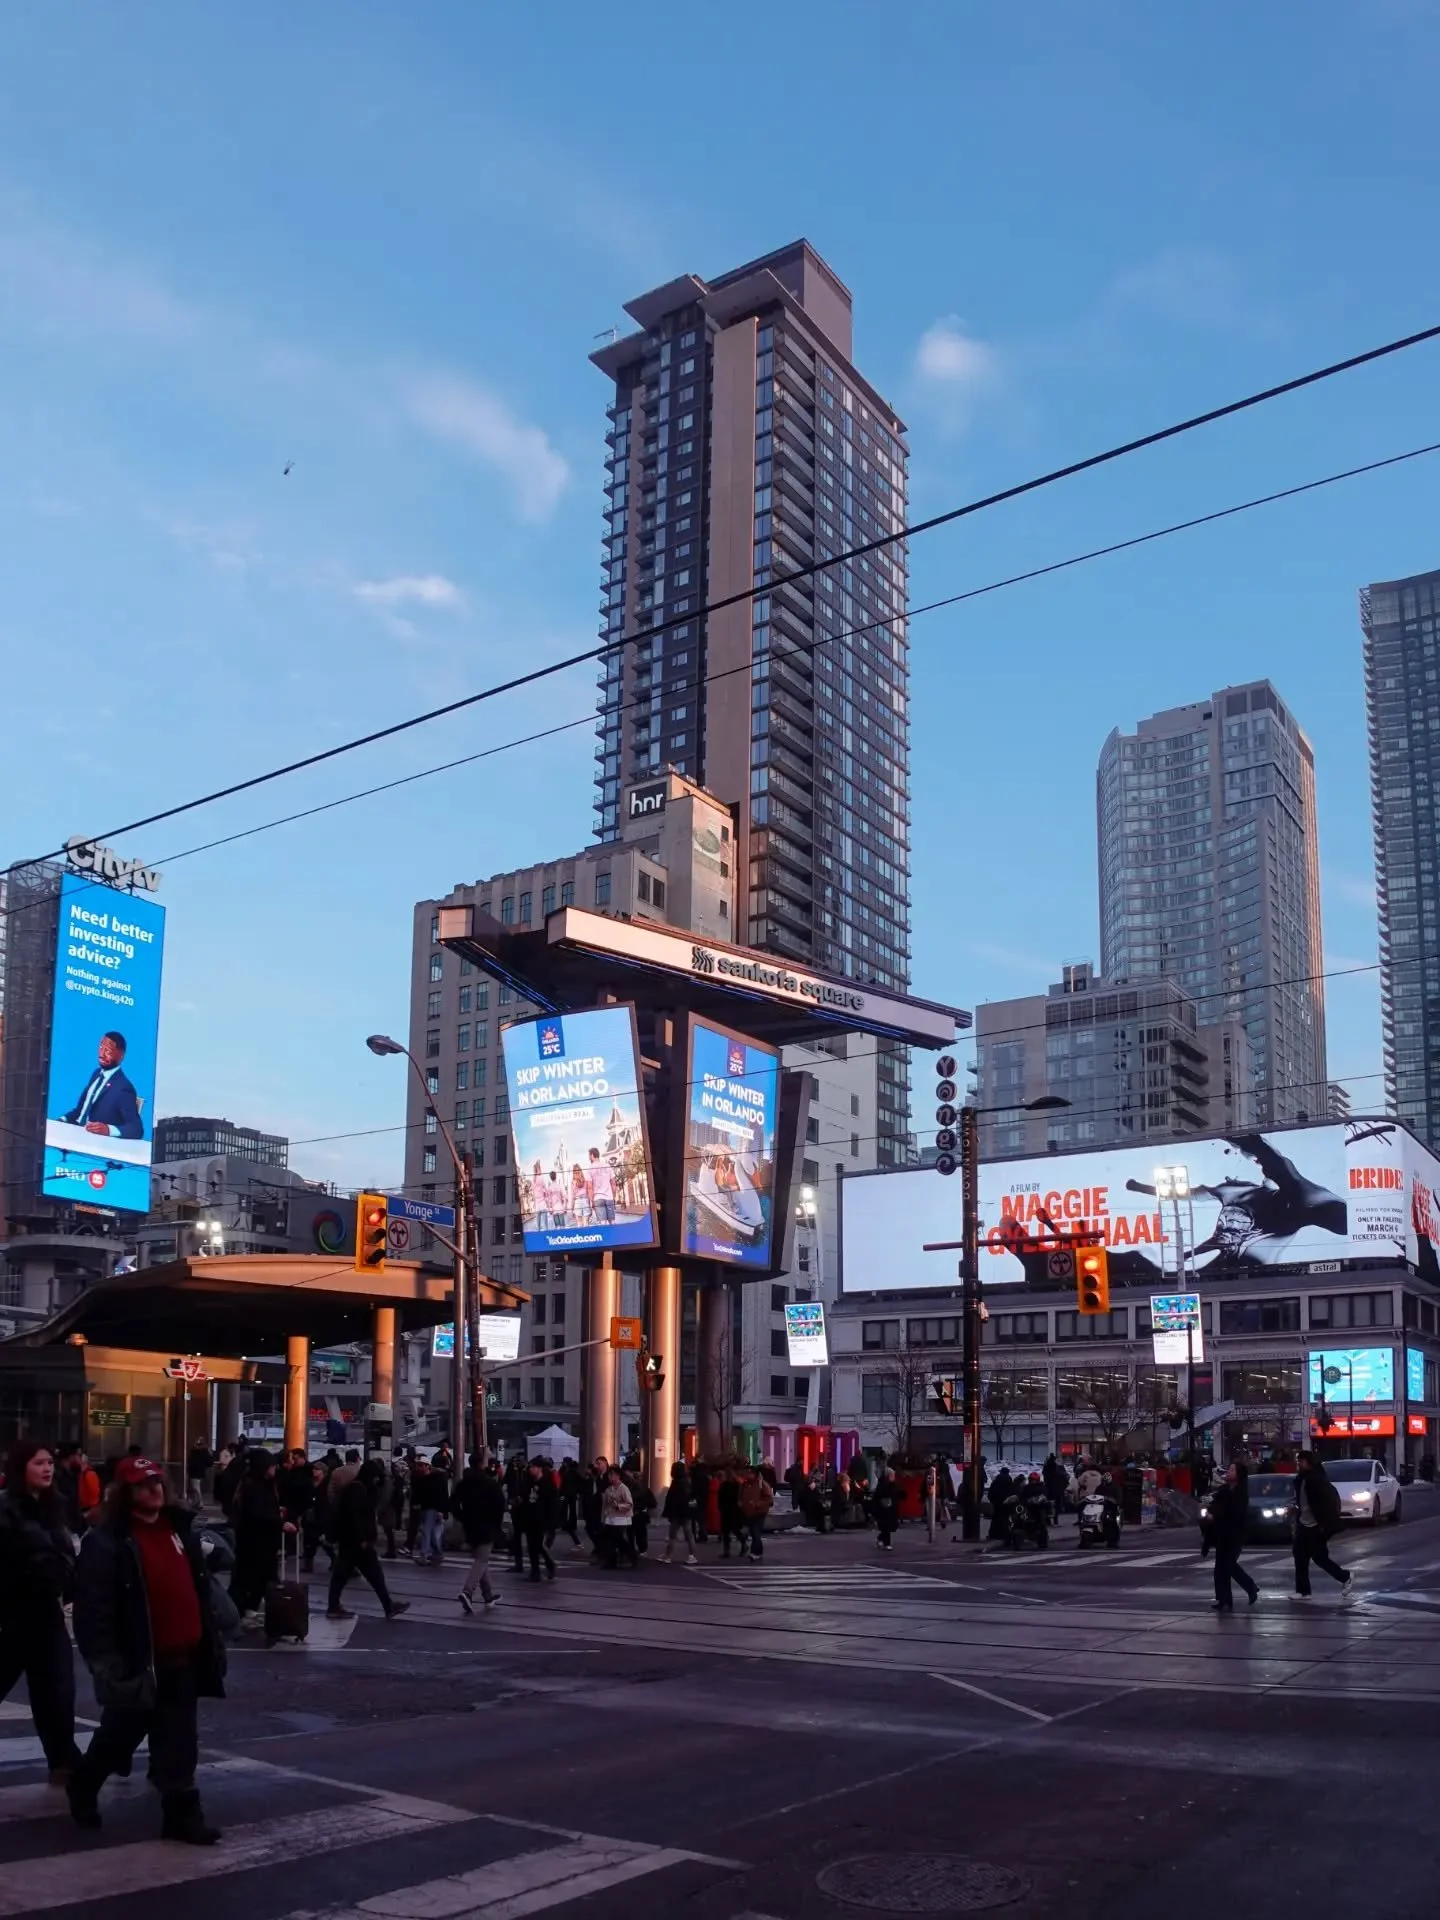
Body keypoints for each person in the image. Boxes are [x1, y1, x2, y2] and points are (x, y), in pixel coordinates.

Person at [68, 1458, 227, 1843]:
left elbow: (200, 1588)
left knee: (180, 1739)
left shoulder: (179, 1529)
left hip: (182, 1658)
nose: (153, 1489)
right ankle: (84, 1784)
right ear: (125, 1493)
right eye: (142, 1485)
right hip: (140, 1662)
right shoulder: (108, 1542)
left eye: (156, 1482)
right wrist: (108, 1666)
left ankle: (182, 1815)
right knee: (118, 1737)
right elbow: (94, 1613)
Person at [0, 1441, 81, 1784]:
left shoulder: (53, 1508)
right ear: (22, 1469)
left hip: (47, 1613)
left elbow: (65, 1553)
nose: (48, 1468)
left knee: (58, 1692)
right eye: (39, 1463)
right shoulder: (5, 1509)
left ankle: (63, 1762)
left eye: (49, 1462)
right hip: (12, 1615)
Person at [326, 1460, 410, 1622]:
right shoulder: (357, 1489)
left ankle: (386, 1605)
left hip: (354, 1541)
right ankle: (387, 1605)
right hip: (356, 1541)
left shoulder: (358, 1487)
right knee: (360, 1573)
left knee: (350, 1573)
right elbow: (354, 1517)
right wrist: (362, 1538)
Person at [228, 1451, 285, 1622]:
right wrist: (279, 1523)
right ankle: (276, 1616)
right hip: (257, 1541)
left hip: (258, 1541)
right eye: (272, 1465)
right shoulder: (254, 1487)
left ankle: (248, 1609)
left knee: (255, 1579)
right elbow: (258, 1515)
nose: (275, 1468)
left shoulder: (258, 1484)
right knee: (261, 1578)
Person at [1291, 1450, 1354, 1604]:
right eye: (1298, 1461)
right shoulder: (1300, 1479)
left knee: (1319, 1558)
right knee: (1300, 1557)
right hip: (1303, 1524)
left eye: (1302, 1461)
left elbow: (1327, 1505)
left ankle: (1345, 1577)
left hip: (1316, 1526)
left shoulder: (1317, 1480)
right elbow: (1302, 1502)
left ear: (1310, 1462)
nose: (1299, 1463)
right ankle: (1303, 1591)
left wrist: (1324, 1525)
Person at [60, 1031, 143, 1138]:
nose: (101, 1054)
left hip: (93, 1140)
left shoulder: (124, 1088)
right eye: (100, 1047)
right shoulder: (96, 1074)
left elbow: (136, 1128)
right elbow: (80, 1111)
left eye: (108, 1051)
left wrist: (108, 1130)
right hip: (76, 1132)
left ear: (120, 1056)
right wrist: (62, 1120)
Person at [452, 1455, 505, 1613]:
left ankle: (488, 1595)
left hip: (470, 1526)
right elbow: (500, 1505)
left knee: (481, 1560)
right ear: (483, 1465)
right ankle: (468, 1591)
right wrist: (496, 1525)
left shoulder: (463, 1483)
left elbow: (452, 1503)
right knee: (481, 1560)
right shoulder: (490, 1483)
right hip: (487, 1527)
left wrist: (462, 1517)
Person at [1208, 1460, 1260, 1612]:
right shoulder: (1224, 1490)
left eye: (1232, 1470)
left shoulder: (1240, 1493)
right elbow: (1216, 1505)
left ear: (1239, 1474)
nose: (1228, 1473)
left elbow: (1233, 1513)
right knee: (1220, 1567)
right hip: (1222, 1533)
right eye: (1229, 1470)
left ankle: (1250, 1587)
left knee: (1229, 1565)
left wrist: (1216, 1514)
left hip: (1235, 1534)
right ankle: (1223, 1598)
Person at [516, 1460, 559, 1582]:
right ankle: (535, 1572)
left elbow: (553, 1505)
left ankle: (549, 1564)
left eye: (534, 1468)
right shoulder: (528, 1483)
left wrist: (551, 1524)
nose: (531, 1470)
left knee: (539, 1546)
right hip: (530, 1520)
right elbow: (524, 1498)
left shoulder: (547, 1484)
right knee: (531, 1547)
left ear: (539, 1469)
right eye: (530, 1468)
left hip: (542, 1520)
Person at [414, 1454, 451, 1566]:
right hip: (427, 1508)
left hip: (433, 1509)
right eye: (418, 1465)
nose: (418, 1468)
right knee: (433, 1534)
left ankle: (423, 1555)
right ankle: (437, 1554)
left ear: (427, 1466)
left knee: (427, 1532)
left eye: (420, 1465)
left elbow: (442, 1495)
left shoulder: (436, 1479)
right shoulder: (421, 1479)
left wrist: (442, 1511)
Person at [661, 1462, 698, 1565]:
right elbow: (690, 1497)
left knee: (673, 1535)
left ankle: (668, 1556)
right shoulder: (687, 1481)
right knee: (689, 1534)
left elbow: (672, 1499)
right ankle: (692, 1556)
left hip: (677, 1512)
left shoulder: (676, 1483)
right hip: (686, 1512)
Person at [600, 1467, 636, 1568]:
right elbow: (604, 1506)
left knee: (619, 1540)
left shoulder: (624, 1488)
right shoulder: (608, 1490)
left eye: (612, 1475)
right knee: (610, 1541)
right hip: (610, 1518)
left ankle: (631, 1556)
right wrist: (603, 1518)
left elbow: (629, 1504)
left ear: (618, 1476)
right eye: (609, 1475)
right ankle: (612, 1561)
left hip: (622, 1518)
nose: (610, 1477)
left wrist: (618, 1506)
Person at [739, 1468, 773, 1559]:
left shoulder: (761, 1484)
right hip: (748, 1512)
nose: (748, 1475)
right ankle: (758, 1552)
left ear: (755, 1474)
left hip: (759, 1512)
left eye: (750, 1473)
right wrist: (741, 1503)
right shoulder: (745, 1484)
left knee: (756, 1532)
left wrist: (758, 1504)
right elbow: (741, 1496)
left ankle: (756, 1552)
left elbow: (768, 1498)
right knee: (753, 1533)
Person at [717, 1468, 746, 1559]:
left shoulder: (725, 1485)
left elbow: (720, 1498)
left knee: (728, 1531)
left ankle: (728, 1551)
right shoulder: (737, 1485)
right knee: (734, 1530)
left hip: (728, 1511)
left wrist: (720, 1507)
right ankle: (742, 1545)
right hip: (734, 1511)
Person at [871, 1469, 901, 1551]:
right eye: (892, 1475)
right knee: (886, 1526)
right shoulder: (884, 1485)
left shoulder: (891, 1484)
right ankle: (887, 1543)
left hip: (890, 1508)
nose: (893, 1477)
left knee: (886, 1527)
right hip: (884, 1509)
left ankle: (881, 1539)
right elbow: (878, 1497)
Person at [587, 1147, 617, 1225]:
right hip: (609, 1197)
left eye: (589, 1155)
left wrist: (592, 1201)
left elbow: (589, 1187)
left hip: (598, 1198)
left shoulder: (590, 1169)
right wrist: (613, 1196)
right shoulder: (607, 1166)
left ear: (592, 1155)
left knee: (602, 1222)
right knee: (612, 1221)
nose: (589, 1157)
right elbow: (613, 1183)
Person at [986, 1465, 1014, 1542]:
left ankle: (993, 1534)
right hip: (1005, 1502)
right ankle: (1003, 1534)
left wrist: (993, 1500)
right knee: (1004, 1518)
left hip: (997, 1502)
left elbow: (991, 1492)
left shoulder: (996, 1480)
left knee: (995, 1518)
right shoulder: (1008, 1479)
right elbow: (1011, 1491)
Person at [186, 1441, 214, 1509]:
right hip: (201, 1472)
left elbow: (190, 1462)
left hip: (194, 1472)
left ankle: (199, 1503)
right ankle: (198, 1503)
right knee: (197, 1488)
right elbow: (210, 1462)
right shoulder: (204, 1453)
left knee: (196, 1488)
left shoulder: (194, 1453)